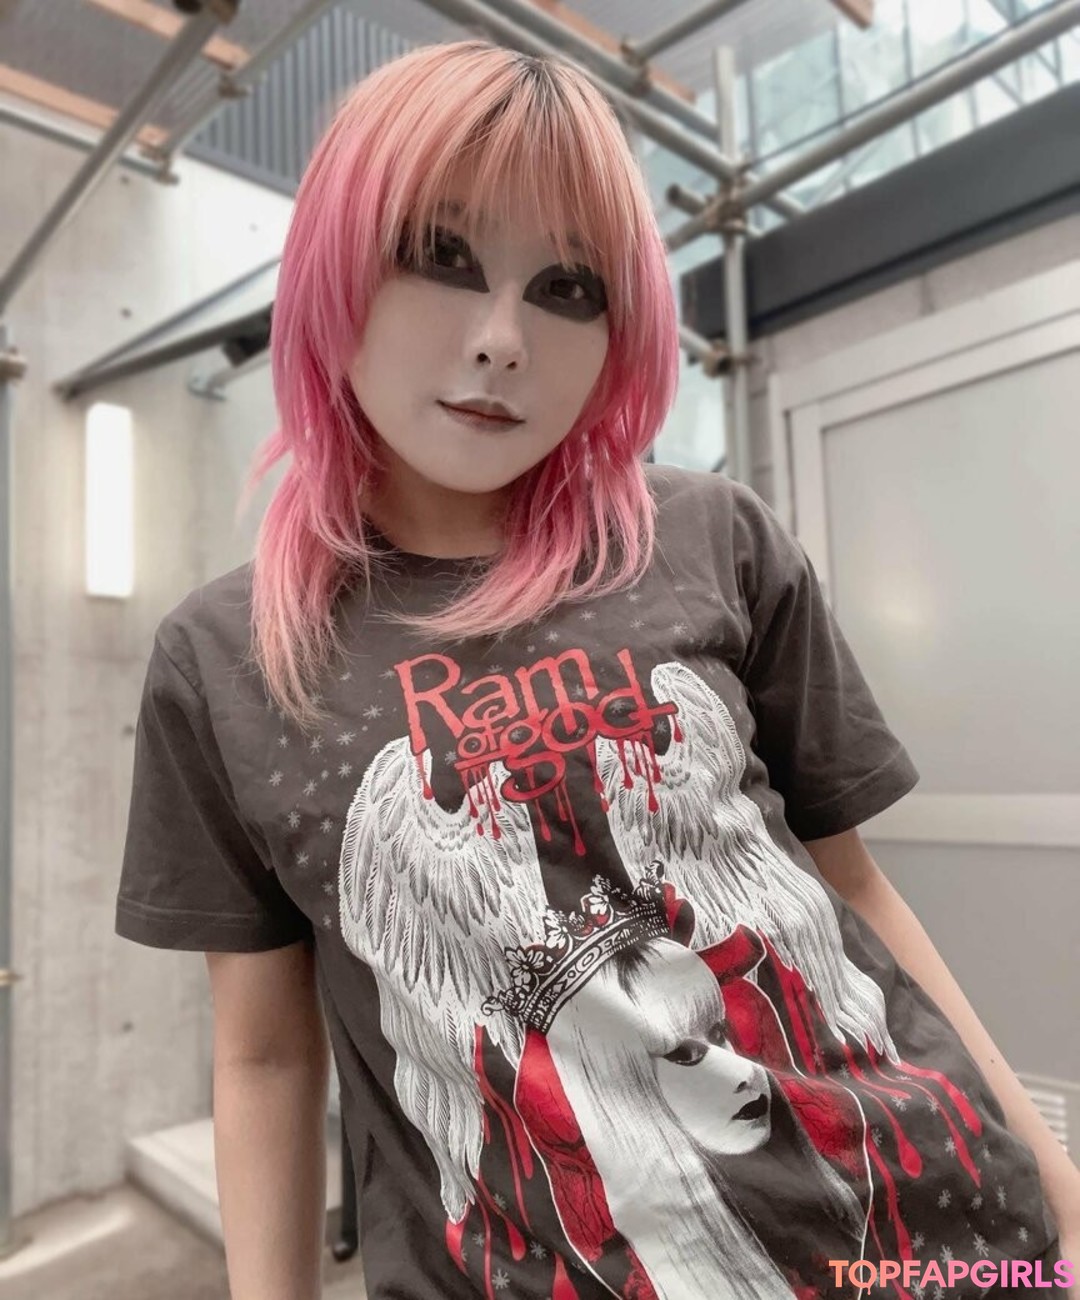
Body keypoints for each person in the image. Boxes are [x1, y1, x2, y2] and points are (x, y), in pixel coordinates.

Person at [114, 37, 1078, 1300]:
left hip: (936, 1236)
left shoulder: (710, 537)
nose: (502, 339)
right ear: (333, 269)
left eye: (567, 285)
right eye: (441, 256)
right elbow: (263, 1056)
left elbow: (855, 894)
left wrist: (1059, 1187)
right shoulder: (229, 659)